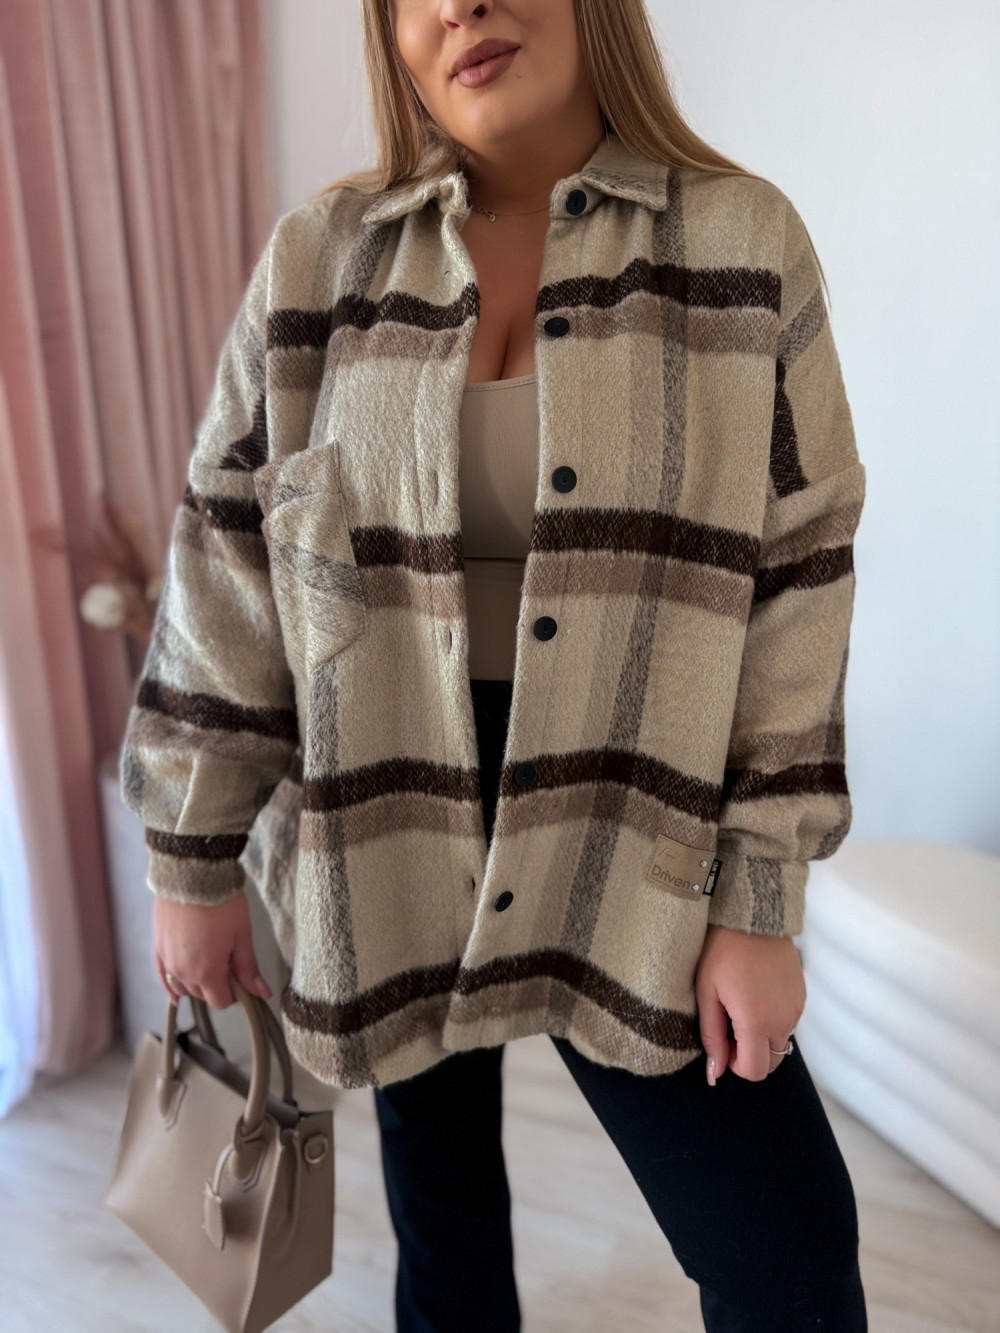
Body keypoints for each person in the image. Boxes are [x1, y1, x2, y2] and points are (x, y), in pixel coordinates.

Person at [124, 1, 869, 1328]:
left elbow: (798, 580)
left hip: (632, 818)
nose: (458, 5)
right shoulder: (324, 259)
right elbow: (226, 561)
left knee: (783, 1245)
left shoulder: (741, 243)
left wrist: (758, 899)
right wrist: (193, 855)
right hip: (381, 812)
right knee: (444, 1214)